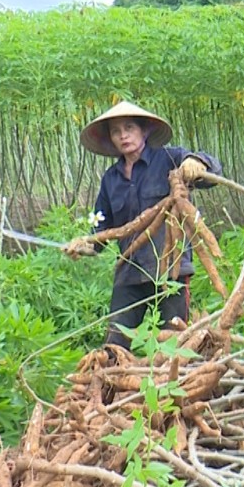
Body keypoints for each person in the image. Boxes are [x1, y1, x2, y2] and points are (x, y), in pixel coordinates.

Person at [64, 101, 221, 349]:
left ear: (144, 131)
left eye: (129, 128)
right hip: (129, 273)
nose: (123, 135)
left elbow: (212, 169)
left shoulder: (169, 158)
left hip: (171, 272)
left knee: (175, 343)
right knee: (114, 344)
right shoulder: (110, 180)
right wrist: (87, 244)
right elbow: (102, 229)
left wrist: (197, 162)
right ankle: (113, 384)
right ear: (111, 139)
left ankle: (174, 384)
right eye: (116, 131)